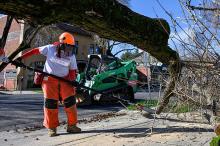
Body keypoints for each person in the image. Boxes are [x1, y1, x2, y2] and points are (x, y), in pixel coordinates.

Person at [16, 32, 81, 136]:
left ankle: (72, 126)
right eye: (68, 47)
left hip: (65, 80)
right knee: (50, 104)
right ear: (61, 44)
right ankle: (52, 128)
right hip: (49, 80)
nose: (70, 50)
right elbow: (35, 51)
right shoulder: (50, 48)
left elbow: (72, 70)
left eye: (71, 47)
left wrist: (73, 81)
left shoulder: (71, 56)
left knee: (71, 103)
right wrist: (21, 57)